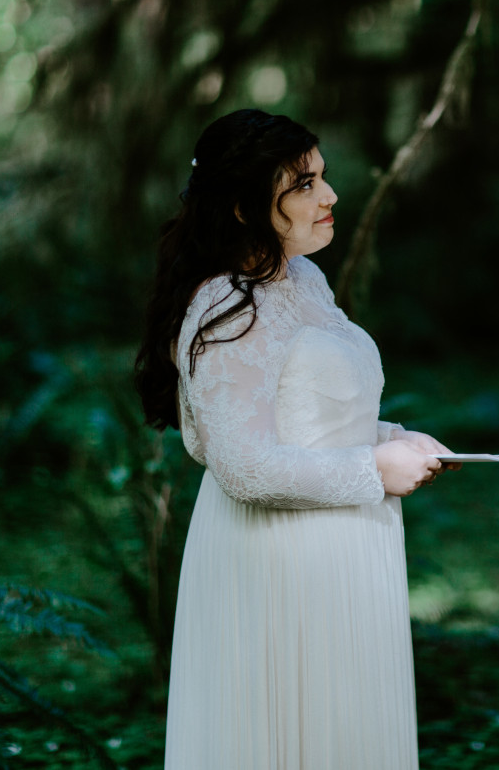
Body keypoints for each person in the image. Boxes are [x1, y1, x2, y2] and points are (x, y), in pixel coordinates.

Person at [134, 109, 455, 769]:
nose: (330, 195)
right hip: (274, 563)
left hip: (347, 548)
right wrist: (372, 468)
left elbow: (316, 415)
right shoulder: (223, 303)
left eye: (323, 176)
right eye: (304, 183)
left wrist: (399, 438)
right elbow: (241, 462)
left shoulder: (303, 276)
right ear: (246, 207)